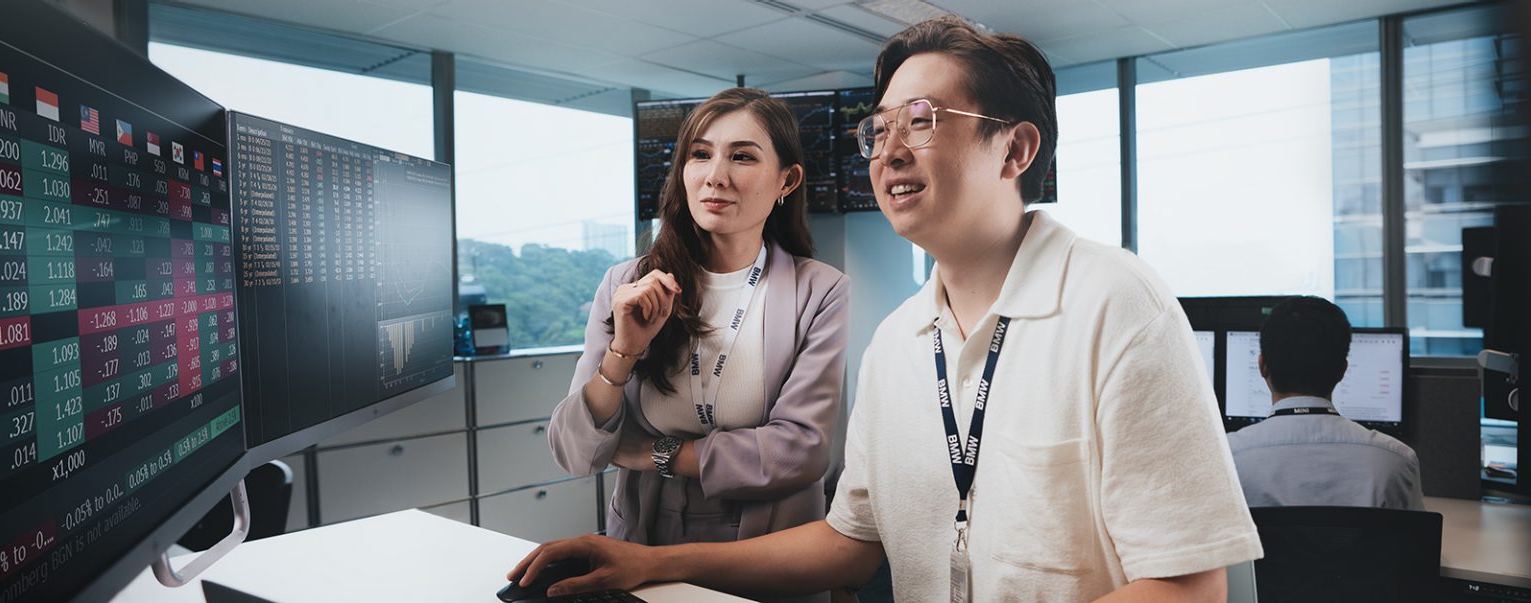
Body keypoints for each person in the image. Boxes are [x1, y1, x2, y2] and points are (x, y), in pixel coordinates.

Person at [512, 17, 1261, 601]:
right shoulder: (899, 341)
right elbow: (849, 540)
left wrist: (658, 459)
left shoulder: (1118, 303)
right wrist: (647, 561)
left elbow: (1189, 585)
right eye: (880, 127)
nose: (889, 149)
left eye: (924, 120)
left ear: (1015, 150)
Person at [545, 87, 851, 579]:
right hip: (642, 539)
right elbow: (575, 451)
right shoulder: (628, 283)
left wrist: (654, 453)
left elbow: (799, 453)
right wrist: (623, 351)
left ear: (786, 181)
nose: (715, 177)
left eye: (742, 157)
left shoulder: (819, 290)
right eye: (700, 154)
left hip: (766, 551)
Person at [1225, 296, 1425, 510]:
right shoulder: (1396, 462)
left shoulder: (1226, 459)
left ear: (1262, 366)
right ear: (1343, 370)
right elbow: (1413, 543)